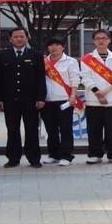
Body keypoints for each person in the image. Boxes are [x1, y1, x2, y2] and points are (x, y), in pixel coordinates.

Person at [0, 27, 47, 168]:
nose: (19, 39)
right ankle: (13, 158)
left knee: (32, 130)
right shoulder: (2, 55)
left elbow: (40, 78)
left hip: (31, 100)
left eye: (22, 36)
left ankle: (34, 158)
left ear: (27, 38)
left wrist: (41, 97)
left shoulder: (36, 55)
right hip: (10, 100)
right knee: (12, 129)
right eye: (16, 37)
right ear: (10, 39)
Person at [80, 29, 112, 165]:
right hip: (93, 101)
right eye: (98, 38)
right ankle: (95, 154)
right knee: (94, 130)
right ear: (94, 41)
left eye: (104, 38)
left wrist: (106, 90)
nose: (101, 41)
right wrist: (98, 93)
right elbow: (85, 78)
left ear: (109, 40)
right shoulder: (87, 59)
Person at [41, 37, 81, 167]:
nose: (54, 47)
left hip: (64, 100)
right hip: (47, 100)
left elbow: (75, 80)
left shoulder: (70, 61)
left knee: (65, 129)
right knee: (50, 129)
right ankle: (53, 154)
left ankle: (66, 155)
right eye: (51, 45)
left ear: (63, 47)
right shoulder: (43, 61)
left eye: (57, 45)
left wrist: (73, 96)